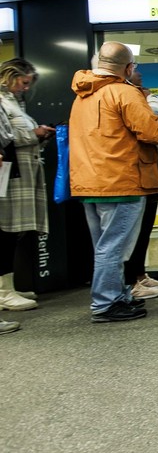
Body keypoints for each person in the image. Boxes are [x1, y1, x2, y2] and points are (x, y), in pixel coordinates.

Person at [70, 42, 158, 323]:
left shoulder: (82, 95)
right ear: (128, 68)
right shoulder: (125, 92)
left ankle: (116, 294)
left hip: (89, 182)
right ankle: (105, 304)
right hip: (121, 181)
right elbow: (152, 133)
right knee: (113, 247)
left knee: (104, 245)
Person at [0, 58, 54, 313]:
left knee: (13, 233)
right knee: (5, 233)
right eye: (23, 82)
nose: (24, 88)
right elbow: (7, 137)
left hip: (20, 176)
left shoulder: (14, 103)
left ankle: (7, 286)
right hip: (9, 178)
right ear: (10, 76)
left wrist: (38, 136)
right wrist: (34, 134)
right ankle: (3, 292)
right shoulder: (2, 102)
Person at [122, 69, 158, 298]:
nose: (140, 74)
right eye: (134, 70)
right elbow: (154, 128)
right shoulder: (127, 98)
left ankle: (140, 275)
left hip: (150, 173)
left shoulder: (143, 97)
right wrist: (156, 115)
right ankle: (131, 282)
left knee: (144, 229)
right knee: (133, 233)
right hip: (134, 175)